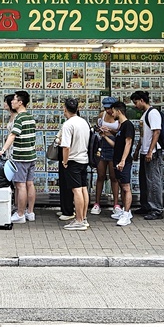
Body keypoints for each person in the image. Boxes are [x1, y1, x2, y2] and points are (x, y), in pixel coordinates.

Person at [0, 90, 37, 223]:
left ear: (20, 102)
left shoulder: (19, 118)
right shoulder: (30, 117)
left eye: (14, 99)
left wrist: (2, 150)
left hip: (21, 156)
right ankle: (30, 212)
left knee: (20, 185)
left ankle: (20, 214)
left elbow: (13, 135)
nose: (12, 102)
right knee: (29, 184)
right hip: (31, 155)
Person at [59, 97, 92, 230]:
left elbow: (66, 147)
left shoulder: (68, 124)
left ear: (65, 108)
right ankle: (83, 218)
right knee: (83, 188)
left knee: (76, 190)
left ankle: (78, 220)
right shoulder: (84, 122)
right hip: (84, 159)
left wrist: (64, 162)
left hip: (73, 160)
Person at [132, 90, 164, 220]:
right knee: (144, 181)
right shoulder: (144, 114)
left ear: (141, 100)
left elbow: (156, 132)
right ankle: (146, 205)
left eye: (136, 102)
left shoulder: (153, 113)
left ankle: (156, 209)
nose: (135, 105)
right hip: (145, 151)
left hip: (153, 152)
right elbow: (143, 135)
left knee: (153, 181)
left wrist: (151, 151)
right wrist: (138, 150)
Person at [90, 96, 121, 216]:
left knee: (114, 177)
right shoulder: (101, 115)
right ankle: (96, 203)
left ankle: (116, 204)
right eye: (106, 108)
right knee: (100, 175)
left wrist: (110, 131)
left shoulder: (118, 116)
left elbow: (120, 132)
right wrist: (100, 130)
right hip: (102, 144)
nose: (108, 111)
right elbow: (96, 128)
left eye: (110, 108)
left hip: (113, 144)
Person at [109, 101, 136, 227]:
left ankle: (126, 214)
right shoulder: (120, 127)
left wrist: (123, 160)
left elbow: (128, 143)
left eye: (113, 111)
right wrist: (105, 135)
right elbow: (117, 145)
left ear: (118, 111)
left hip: (123, 161)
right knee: (121, 185)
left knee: (126, 187)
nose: (112, 113)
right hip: (117, 160)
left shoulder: (128, 125)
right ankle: (125, 210)